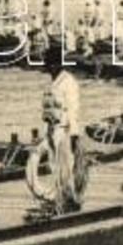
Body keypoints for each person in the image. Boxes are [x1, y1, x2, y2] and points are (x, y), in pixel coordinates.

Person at [41, 49, 83, 212]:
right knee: (54, 165)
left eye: (51, 65)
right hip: (52, 129)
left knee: (66, 166)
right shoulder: (53, 83)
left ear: (58, 64)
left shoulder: (69, 82)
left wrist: (74, 134)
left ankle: (69, 200)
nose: (49, 69)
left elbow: (74, 110)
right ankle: (59, 198)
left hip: (64, 129)